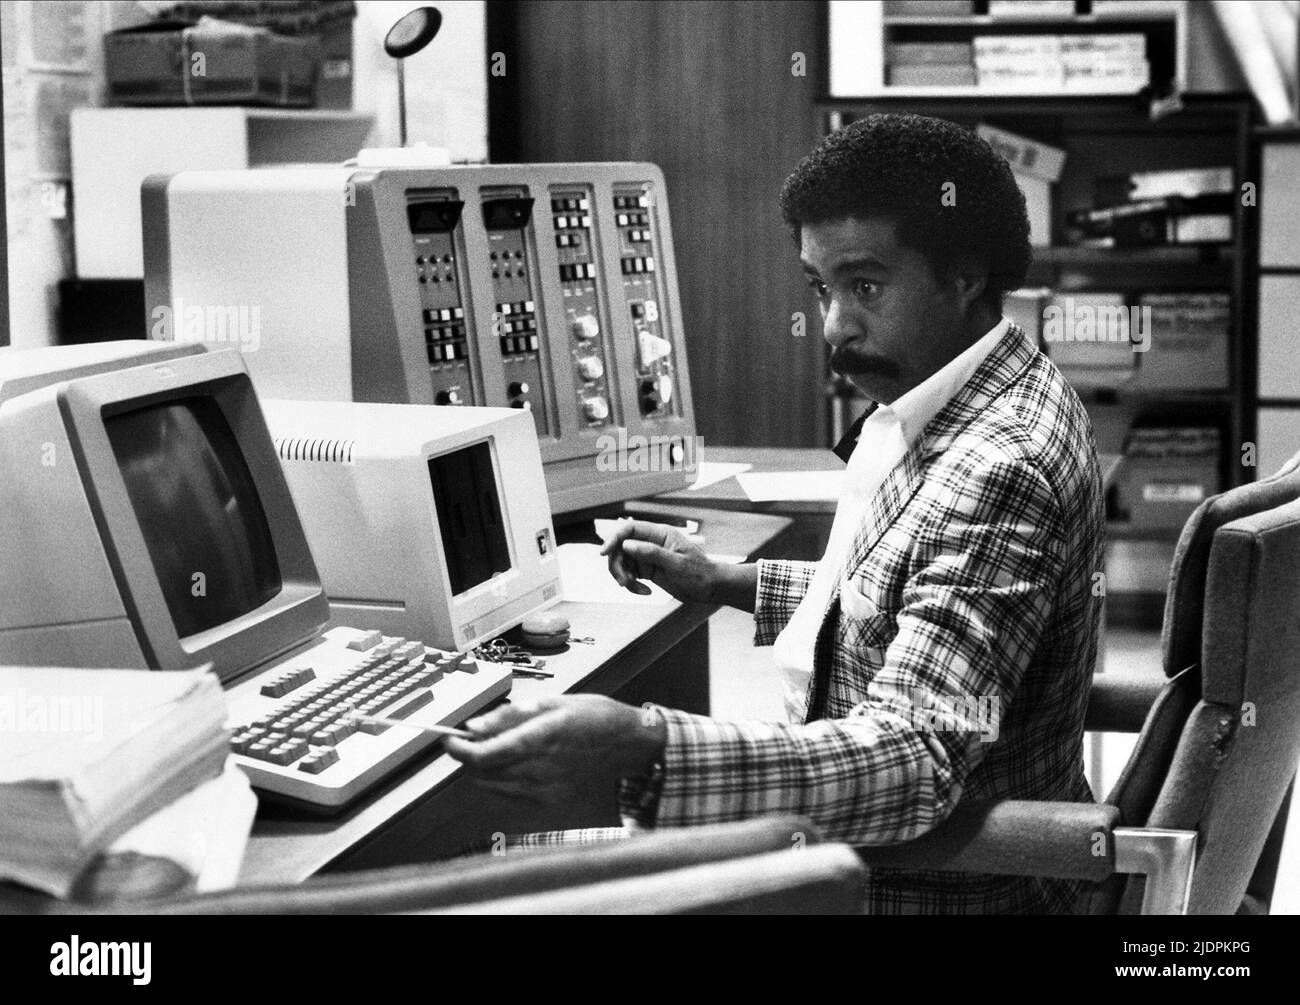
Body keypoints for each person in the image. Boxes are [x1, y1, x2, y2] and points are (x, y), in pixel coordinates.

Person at [447, 113, 1104, 914]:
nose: (833, 325)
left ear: (965, 274)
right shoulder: (992, 389)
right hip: (879, 862)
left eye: (865, 286)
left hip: (910, 891)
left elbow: (915, 758)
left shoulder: (1000, 463)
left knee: (490, 872)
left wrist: (644, 740)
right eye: (821, 289)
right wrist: (727, 579)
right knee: (512, 859)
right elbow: (904, 598)